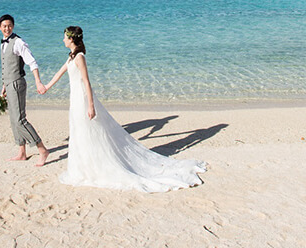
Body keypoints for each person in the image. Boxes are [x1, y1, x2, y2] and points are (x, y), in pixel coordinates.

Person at [43, 26, 206, 192]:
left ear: (71, 39)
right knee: (79, 132)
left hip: (83, 100)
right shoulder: (71, 57)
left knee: (88, 130)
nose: (63, 40)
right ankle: (84, 166)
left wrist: (91, 105)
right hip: (75, 100)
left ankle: (93, 167)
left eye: (64, 37)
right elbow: (60, 73)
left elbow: (86, 82)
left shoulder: (79, 57)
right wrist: (46, 87)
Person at [0, 14, 49, 167]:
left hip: (18, 84)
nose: (7, 28)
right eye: (4, 26)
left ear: (13, 26)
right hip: (9, 83)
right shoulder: (3, 44)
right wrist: (4, 85)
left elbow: (32, 62)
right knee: (13, 120)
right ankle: (22, 152)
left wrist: (38, 82)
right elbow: (7, 66)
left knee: (20, 120)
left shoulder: (19, 42)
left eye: (10, 25)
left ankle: (42, 149)